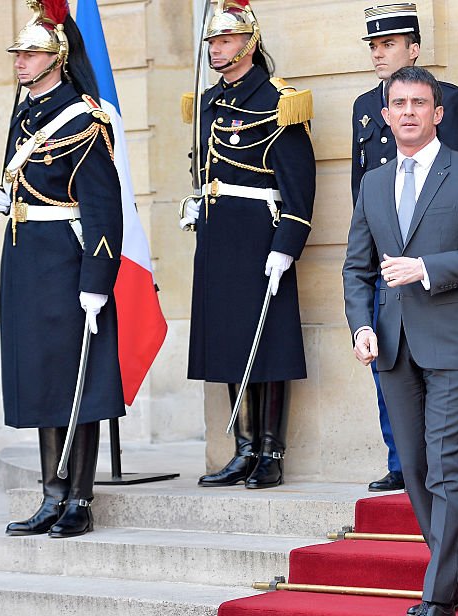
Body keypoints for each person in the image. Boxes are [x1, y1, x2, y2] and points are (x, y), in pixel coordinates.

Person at [343, 66, 458, 616]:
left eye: (420, 103)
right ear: (385, 116)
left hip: (452, 342)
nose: (409, 112)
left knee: (444, 466)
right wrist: (361, 325)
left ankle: (437, 603)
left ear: (438, 114)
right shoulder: (372, 182)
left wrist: (428, 269)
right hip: (390, 346)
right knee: (412, 468)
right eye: (399, 104)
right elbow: (356, 267)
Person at [0, 0, 123, 538]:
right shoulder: (26, 112)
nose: (21, 61)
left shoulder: (84, 117)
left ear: (57, 56)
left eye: (32, 52)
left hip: (67, 262)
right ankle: (50, 494)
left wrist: (95, 282)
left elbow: (104, 208)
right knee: (41, 379)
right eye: (19, 52)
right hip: (25, 258)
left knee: (75, 381)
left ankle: (79, 497)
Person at [180, 0, 315, 490]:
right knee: (231, 343)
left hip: (262, 236)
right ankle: (243, 447)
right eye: (212, 42)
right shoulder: (211, 101)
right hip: (220, 237)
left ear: (250, 43)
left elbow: (299, 187)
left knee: (268, 343)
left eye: (225, 40)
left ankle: (270, 451)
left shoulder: (280, 101)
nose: (216, 50)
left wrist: (288, 244)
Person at [353, 3, 458, 493]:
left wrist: (438, 260)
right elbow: (361, 184)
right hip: (386, 257)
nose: (379, 55)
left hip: (434, 261)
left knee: (436, 376)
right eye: (374, 47)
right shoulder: (367, 105)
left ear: (414, 48)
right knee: (387, 359)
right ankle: (400, 459)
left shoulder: (448, 99)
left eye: (388, 45)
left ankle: (430, 466)